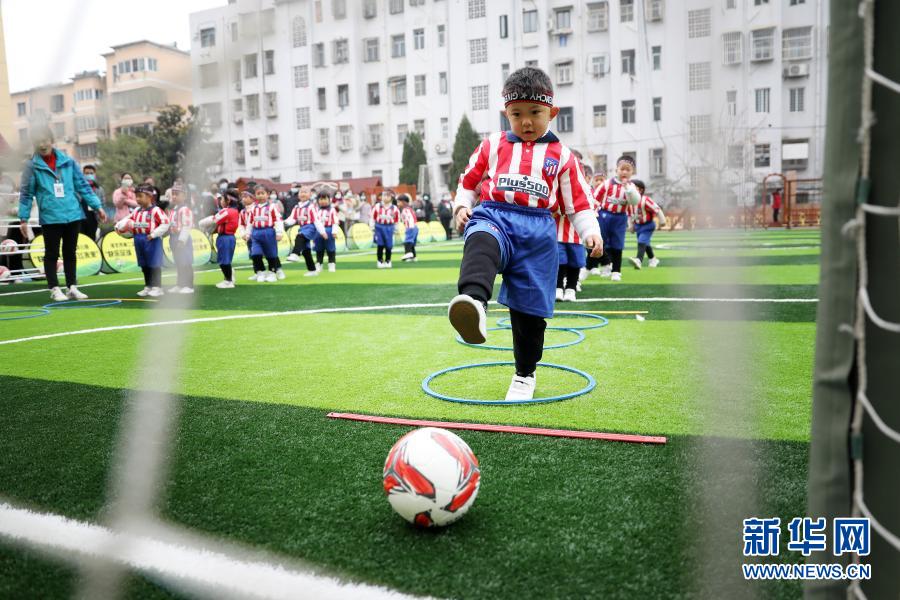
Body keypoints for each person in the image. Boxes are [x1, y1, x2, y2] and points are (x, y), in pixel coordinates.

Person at [448, 67, 602, 401]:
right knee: (480, 241)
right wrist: (462, 206)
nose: (527, 122)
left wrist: (590, 231)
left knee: (529, 311)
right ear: (506, 114)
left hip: (537, 231)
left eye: (535, 113)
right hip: (496, 215)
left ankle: (524, 375)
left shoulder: (562, 156)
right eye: (517, 115)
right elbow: (469, 182)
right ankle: (474, 303)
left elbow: (578, 202)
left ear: (552, 112)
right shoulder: (492, 145)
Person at [18, 126, 107, 301]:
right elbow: (26, 193)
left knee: (70, 252)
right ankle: (54, 288)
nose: (42, 145)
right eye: (38, 142)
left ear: (52, 141)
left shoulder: (68, 161)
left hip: (73, 213)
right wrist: (23, 218)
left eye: (45, 140)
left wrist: (97, 206)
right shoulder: (31, 166)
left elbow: (83, 186)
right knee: (51, 253)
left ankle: (72, 287)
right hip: (50, 216)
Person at [593, 156, 641, 282]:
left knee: (617, 244)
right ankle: (606, 264)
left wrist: (628, 189)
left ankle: (616, 270)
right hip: (604, 215)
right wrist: (593, 211)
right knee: (601, 241)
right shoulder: (607, 183)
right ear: (616, 170)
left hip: (620, 217)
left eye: (628, 170)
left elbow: (635, 201)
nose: (624, 172)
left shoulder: (631, 187)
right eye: (622, 169)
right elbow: (595, 197)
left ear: (632, 172)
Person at [127, 184, 169, 297]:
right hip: (138, 239)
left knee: (154, 264)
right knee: (144, 264)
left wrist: (154, 234)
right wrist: (123, 227)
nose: (138, 199)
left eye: (140, 196)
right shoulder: (136, 211)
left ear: (150, 197)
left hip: (151, 240)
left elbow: (166, 223)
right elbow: (128, 221)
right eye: (136, 196)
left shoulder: (156, 210)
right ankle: (148, 286)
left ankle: (157, 287)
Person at [200, 189, 241, 288]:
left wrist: (201, 224)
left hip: (225, 238)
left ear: (228, 200)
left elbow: (214, 220)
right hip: (228, 238)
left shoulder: (227, 211)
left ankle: (228, 281)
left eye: (222, 198)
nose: (220, 201)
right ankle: (229, 278)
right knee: (225, 260)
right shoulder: (234, 211)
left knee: (224, 261)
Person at [248, 184, 285, 282]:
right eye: (258, 194)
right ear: (255, 195)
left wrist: (279, 232)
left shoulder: (272, 207)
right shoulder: (253, 208)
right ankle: (261, 272)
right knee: (255, 254)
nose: (260, 195)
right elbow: (250, 221)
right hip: (256, 233)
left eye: (262, 193)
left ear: (267, 194)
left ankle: (272, 273)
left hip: (268, 232)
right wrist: (247, 233)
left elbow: (278, 220)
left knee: (271, 254)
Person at [285, 185, 324, 276]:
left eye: (305, 192)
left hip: (310, 227)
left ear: (310, 195)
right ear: (298, 194)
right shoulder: (296, 207)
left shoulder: (311, 207)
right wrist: (284, 222)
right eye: (301, 192)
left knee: (299, 236)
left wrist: (322, 232)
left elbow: (316, 220)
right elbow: (292, 219)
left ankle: (295, 254)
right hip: (302, 227)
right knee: (306, 251)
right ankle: (312, 270)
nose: (303, 194)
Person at [627, 180, 666, 269]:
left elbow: (657, 209)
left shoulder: (645, 200)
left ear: (640, 190)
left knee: (641, 241)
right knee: (645, 243)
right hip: (638, 226)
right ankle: (653, 259)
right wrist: (631, 226)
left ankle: (638, 260)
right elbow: (629, 215)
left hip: (647, 225)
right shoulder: (629, 202)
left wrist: (662, 220)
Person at [167, 183, 195, 294]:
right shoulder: (174, 209)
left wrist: (182, 240)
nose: (174, 196)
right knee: (178, 263)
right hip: (173, 238)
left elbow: (186, 225)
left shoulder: (185, 210)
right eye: (173, 194)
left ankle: (189, 286)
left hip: (182, 239)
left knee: (185, 262)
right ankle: (180, 284)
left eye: (177, 194)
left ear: (184, 196)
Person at [372, 189, 400, 268]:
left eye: (388, 196)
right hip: (379, 226)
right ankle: (380, 260)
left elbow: (397, 220)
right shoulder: (377, 206)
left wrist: (396, 229)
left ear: (391, 197)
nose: (385, 197)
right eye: (384, 195)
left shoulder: (394, 208)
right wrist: (372, 227)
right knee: (380, 244)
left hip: (389, 227)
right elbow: (373, 217)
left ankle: (388, 260)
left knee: (389, 245)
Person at [313, 189, 338, 272]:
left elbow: (335, 221)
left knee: (330, 249)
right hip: (318, 232)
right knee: (319, 249)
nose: (323, 201)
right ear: (318, 200)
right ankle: (319, 264)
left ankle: (331, 264)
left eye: (325, 199)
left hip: (329, 230)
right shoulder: (316, 210)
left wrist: (334, 231)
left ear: (329, 200)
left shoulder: (332, 210)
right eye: (321, 199)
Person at [79, 164, 104, 240]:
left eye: (91, 173)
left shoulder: (99, 189)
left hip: (93, 217)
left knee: (91, 239)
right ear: (83, 174)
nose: (89, 175)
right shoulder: (79, 187)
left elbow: (102, 202)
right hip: (80, 218)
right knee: (81, 238)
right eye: (87, 173)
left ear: (94, 174)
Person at [397, 194, 419, 262]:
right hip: (415, 227)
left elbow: (409, 219)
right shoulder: (410, 209)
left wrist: (409, 227)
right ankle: (413, 256)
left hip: (410, 227)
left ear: (403, 202)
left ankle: (408, 254)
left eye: (399, 202)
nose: (398, 204)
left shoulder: (405, 210)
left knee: (407, 241)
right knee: (411, 243)